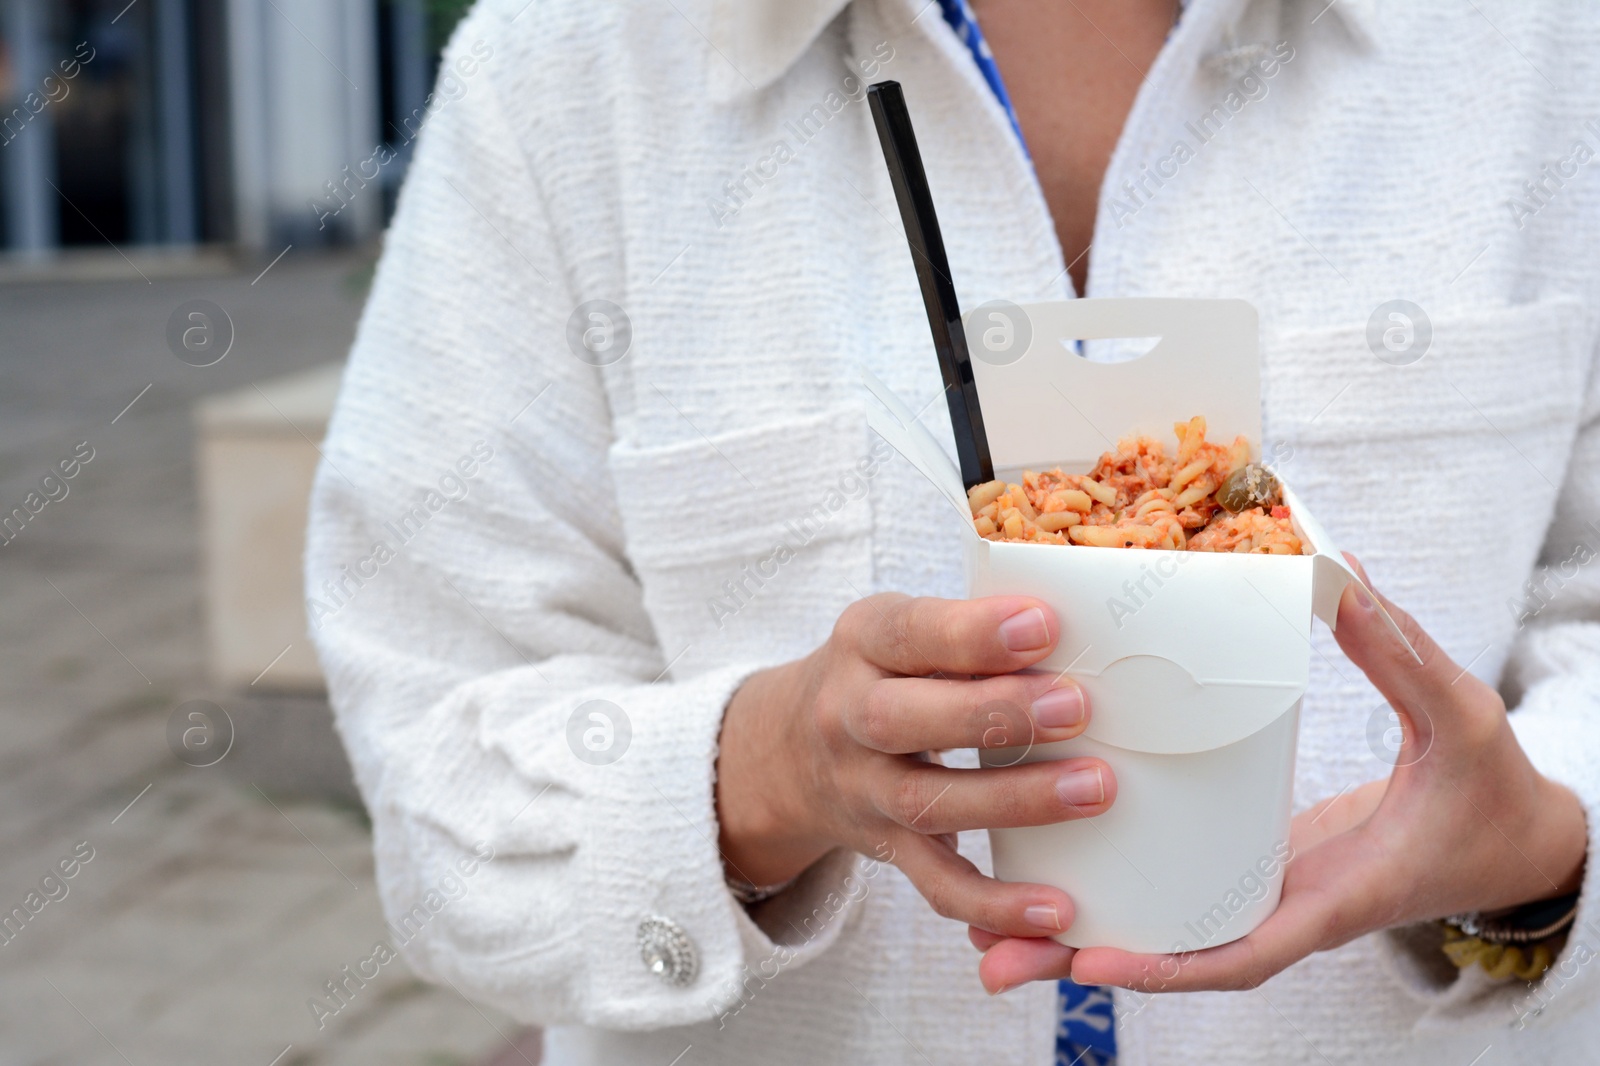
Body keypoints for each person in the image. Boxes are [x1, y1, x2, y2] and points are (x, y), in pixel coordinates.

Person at [305, 0, 1600, 1062]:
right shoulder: (577, 69)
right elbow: (441, 766)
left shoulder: (1544, 46)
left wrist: (1544, 846)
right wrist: (757, 774)